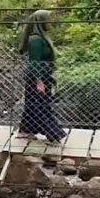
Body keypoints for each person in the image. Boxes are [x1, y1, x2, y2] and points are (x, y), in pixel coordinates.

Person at [16, 9, 66, 142]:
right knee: (40, 105)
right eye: (48, 20)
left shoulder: (42, 36)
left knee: (33, 104)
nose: (50, 22)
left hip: (44, 75)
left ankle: (24, 130)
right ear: (40, 22)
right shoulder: (36, 40)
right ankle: (53, 133)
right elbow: (34, 62)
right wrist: (39, 81)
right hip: (37, 78)